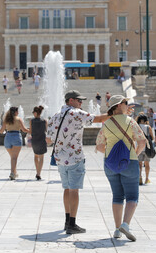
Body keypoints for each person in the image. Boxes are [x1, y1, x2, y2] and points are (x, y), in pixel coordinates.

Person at [46, 90, 110, 235]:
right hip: (75, 157)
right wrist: (116, 113)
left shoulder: (55, 116)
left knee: (67, 189)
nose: (81, 103)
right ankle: (72, 224)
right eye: (79, 100)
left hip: (60, 159)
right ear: (70, 101)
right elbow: (99, 119)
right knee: (74, 190)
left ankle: (67, 221)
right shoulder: (76, 113)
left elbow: (48, 140)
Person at [95, 95, 146, 240]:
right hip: (129, 162)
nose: (127, 105)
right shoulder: (131, 122)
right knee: (132, 197)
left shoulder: (106, 124)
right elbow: (142, 142)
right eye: (125, 103)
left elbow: (98, 146)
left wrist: (112, 153)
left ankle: (117, 230)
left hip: (110, 164)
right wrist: (134, 155)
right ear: (118, 105)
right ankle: (125, 224)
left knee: (117, 196)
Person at [0, 107, 29, 180]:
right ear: (15, 112)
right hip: (16, 137)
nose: (18, 113)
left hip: (8, 138)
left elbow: (1, 131)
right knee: (14, 157)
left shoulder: (6, 120)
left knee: (12, 157)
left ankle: (14, 172)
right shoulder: (18, 119)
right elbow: (24, 129)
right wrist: (31, 130)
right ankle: (12, 173)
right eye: (17, 111)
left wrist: (0, 130)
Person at [28, 105, 47, 180]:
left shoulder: (31, 121)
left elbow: (30, 131)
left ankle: (37, 172)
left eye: (33, 112)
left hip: (35, 140)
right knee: (41, 157)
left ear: (36, 113)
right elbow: (46, 130)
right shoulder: (44, 121)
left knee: (36, 156)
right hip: (42, 140)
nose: (33, 113)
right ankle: (38, 173)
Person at [136, 114, 154, 185]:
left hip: (139, 147)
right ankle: (147, 179)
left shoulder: (137, 127)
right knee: (147, 164)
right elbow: (152, 137)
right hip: (147, 148)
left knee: (139, 164)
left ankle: (140, 177)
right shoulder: (148, 127)